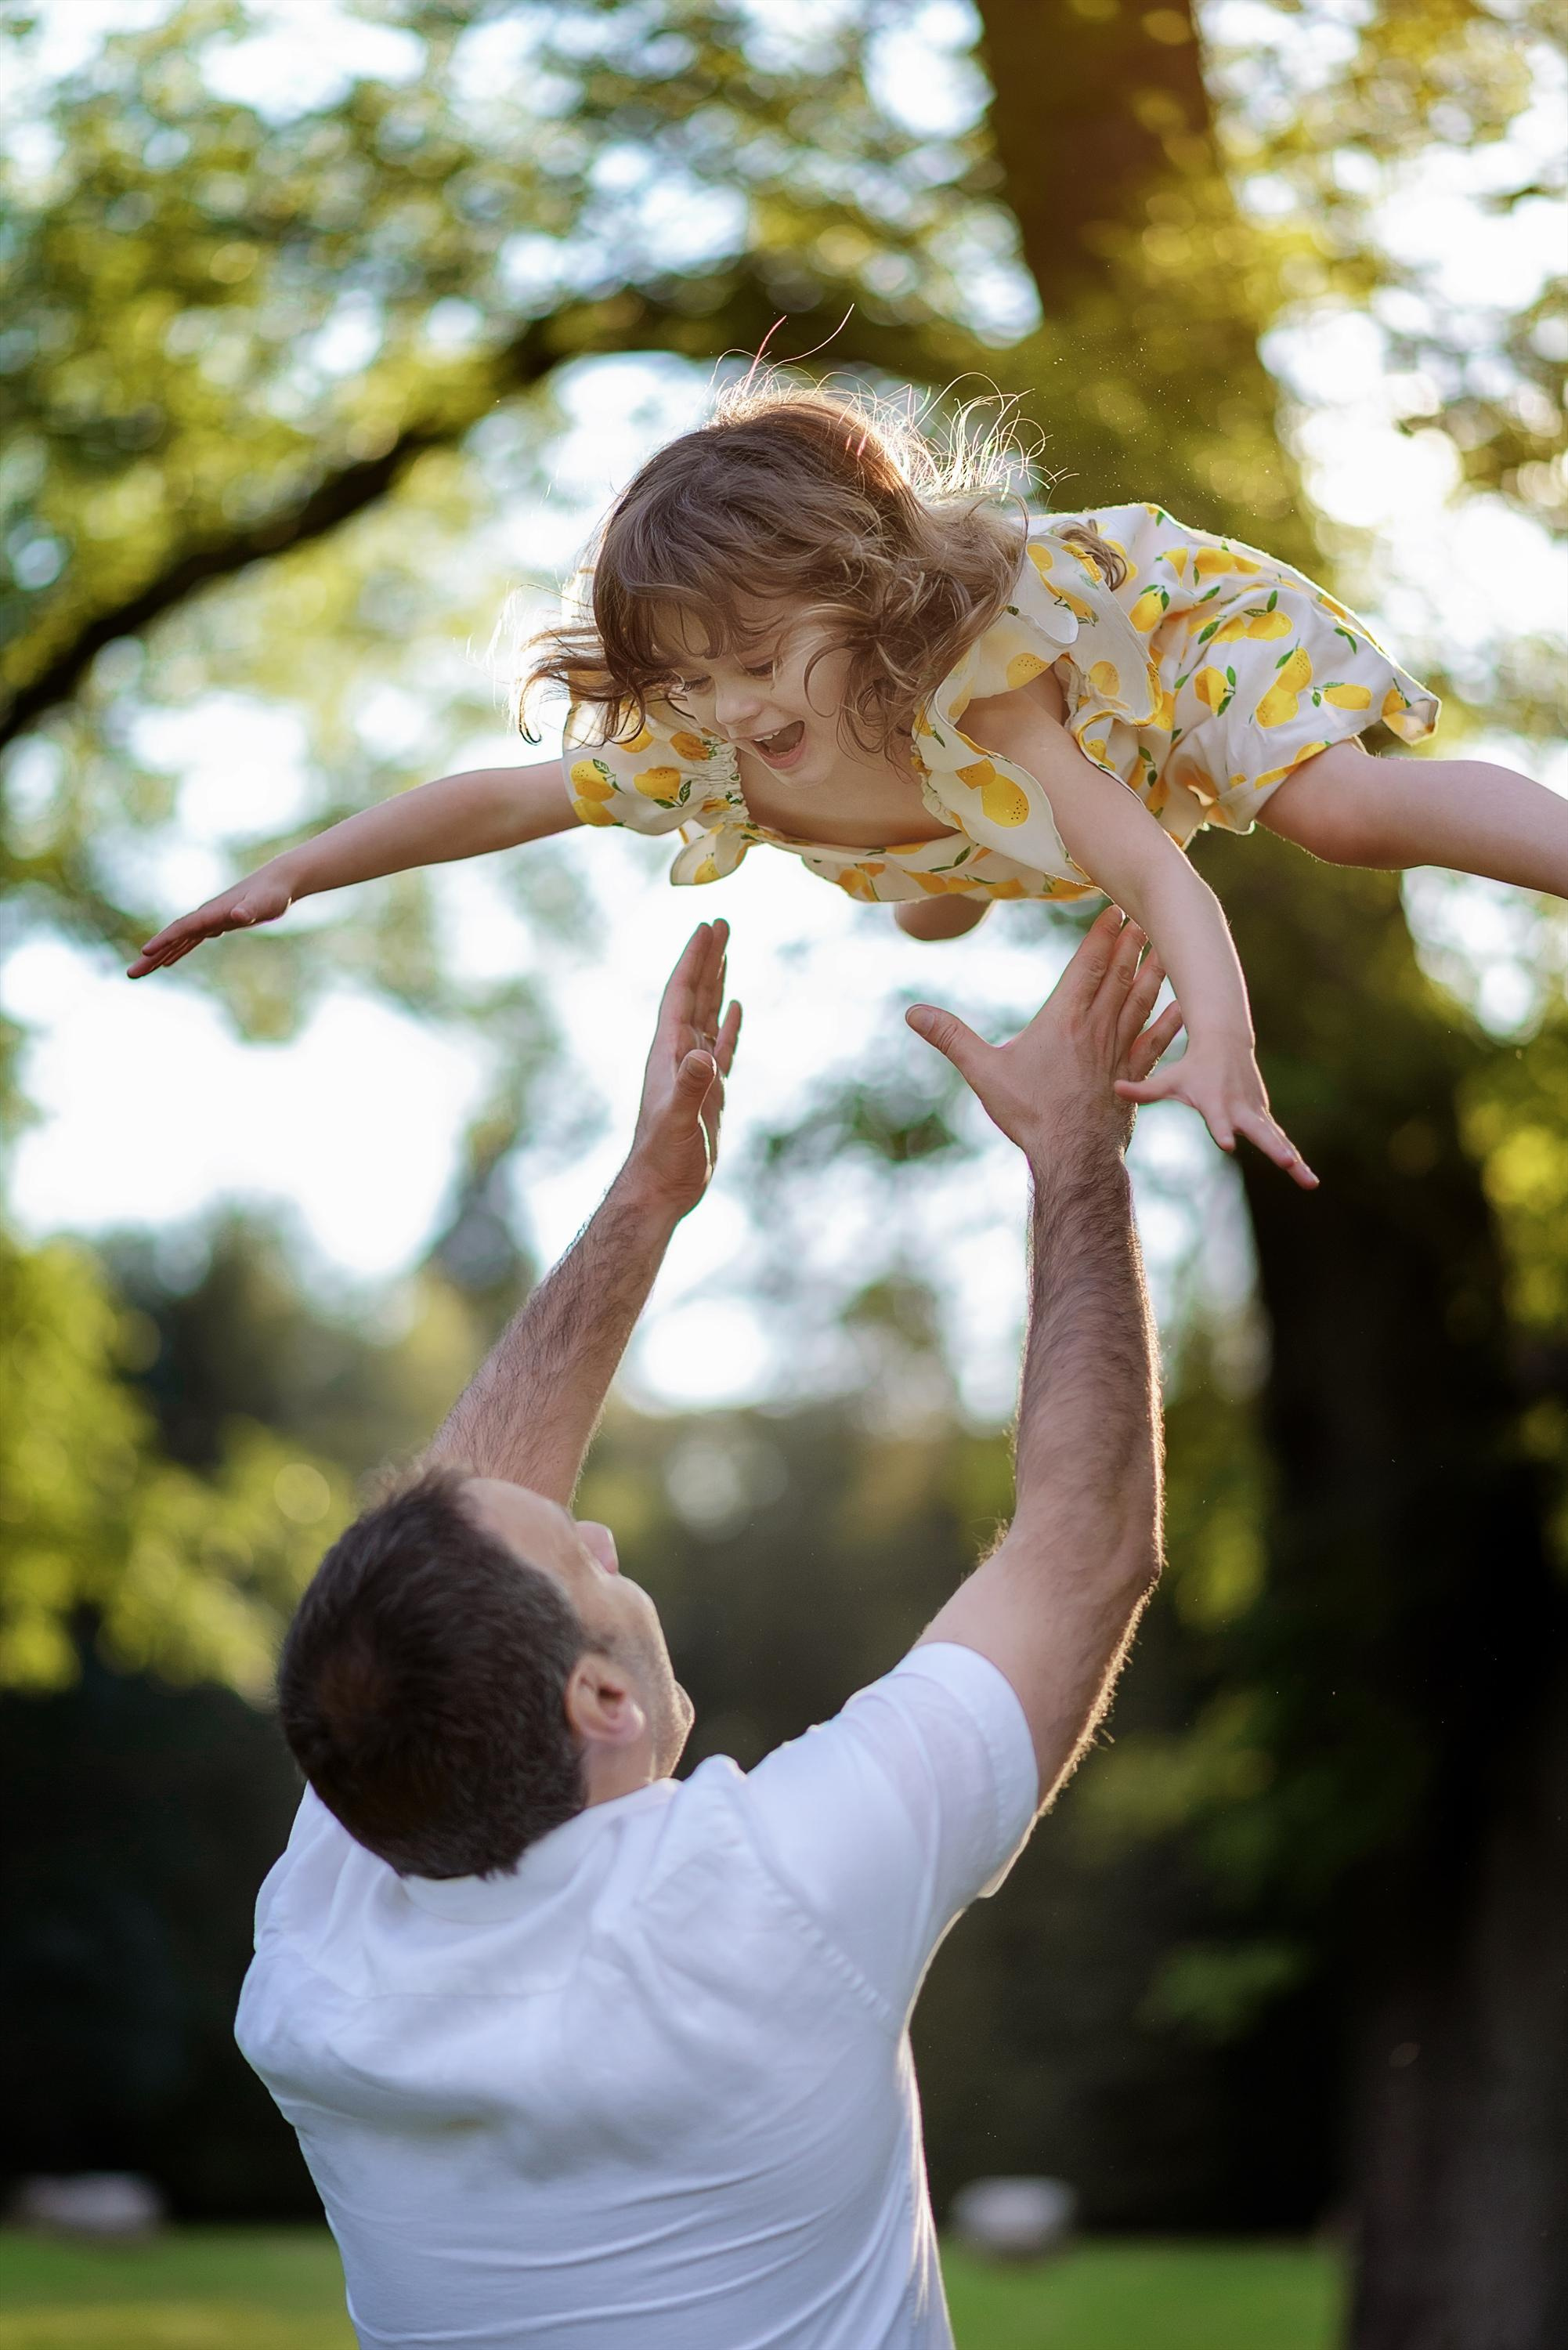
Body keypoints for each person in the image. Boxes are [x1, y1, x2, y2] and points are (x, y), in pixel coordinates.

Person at [237, 906, 1179, 2350]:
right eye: (583, 1560)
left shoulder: (325, 1940)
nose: (601, 1534)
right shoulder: (766, 1900)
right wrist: (1073, 1154)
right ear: (602, 1702)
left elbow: (450, 1531)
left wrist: (646, 1196)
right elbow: (1086, 1550)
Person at [131, 381, 1567, 1190]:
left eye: (758, 659)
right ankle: (941, 887)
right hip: (951, 831)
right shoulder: (705, 739)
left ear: (861, 587)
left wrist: (1224, 1038)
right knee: (933, 911)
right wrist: (294, 872)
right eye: (693, 678)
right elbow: (498, 801)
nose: (732, 708)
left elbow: (1148, 873)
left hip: (1156, 653)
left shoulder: (983, 673)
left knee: (1334, 816)